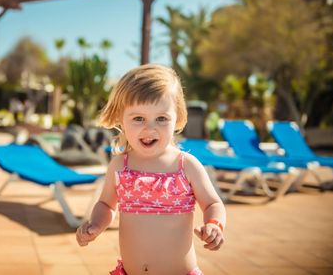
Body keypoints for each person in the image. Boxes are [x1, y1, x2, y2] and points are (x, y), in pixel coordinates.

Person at [76, 64, 226, 275]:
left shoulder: (186, 166)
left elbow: (212, 203)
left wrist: (214, 224)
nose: (150, 128)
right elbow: (105, 205)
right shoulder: (120, 165)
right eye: (138, 118)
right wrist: (96, 225)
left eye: (161, 118)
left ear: (178, 119)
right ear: (121, 119)